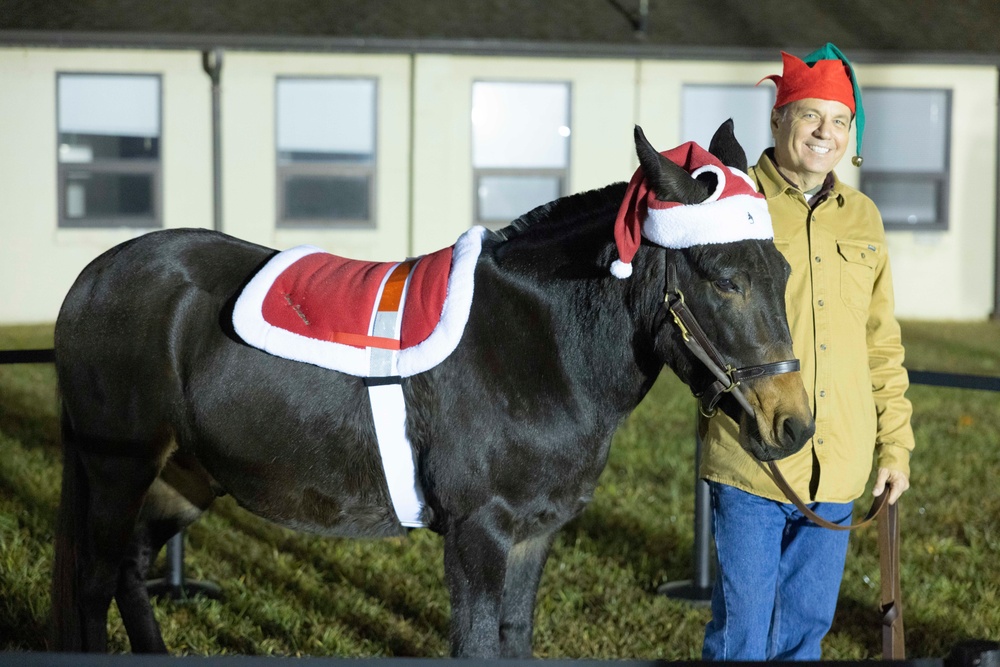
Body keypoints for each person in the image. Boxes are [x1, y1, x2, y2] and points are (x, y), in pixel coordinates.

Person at [698, 43, 915, 660]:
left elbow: (881, 344)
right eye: (809, 116)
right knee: (740, 641)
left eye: (840, 121)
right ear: (778, 119)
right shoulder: (737, 205)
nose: (825, 133)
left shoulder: (864, 220)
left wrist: (894, 446)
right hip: (755, 462)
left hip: (839, 469)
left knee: (803, 638)